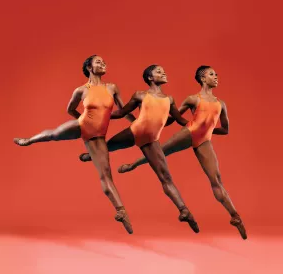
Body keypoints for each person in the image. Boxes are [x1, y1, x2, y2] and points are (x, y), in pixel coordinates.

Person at [116, 65, 247, 239]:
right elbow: (174, 117)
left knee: (216, 180)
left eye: (216, 74)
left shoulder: (221, 104)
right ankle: (133, 164)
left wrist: (207, 129)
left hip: (204, 140)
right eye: (211, 74)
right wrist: (154, 123)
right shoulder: (193, 99)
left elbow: (225, 130)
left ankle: (234, 216)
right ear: (202, 78)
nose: (216, 77)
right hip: (189, 132)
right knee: (162, 151)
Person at [13, 55, 134, 234]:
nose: (103, 63)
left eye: (104, 61)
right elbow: (70, 109)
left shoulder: (112, 88)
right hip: (81, 125)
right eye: (98, 62)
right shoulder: (81, 90)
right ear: (89, 68)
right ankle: (29, 140)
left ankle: (121, 211)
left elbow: (122, 111)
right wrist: (83, 120)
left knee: (106, 175)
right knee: (54, 134)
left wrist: (135, 122)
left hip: (97, 136)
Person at [79, 65, 199, 233]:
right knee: (106, 147)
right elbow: (122, 113)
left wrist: (196, 125)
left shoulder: (169, 99)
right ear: (150, 78)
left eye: (164, 70)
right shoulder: (140, 95)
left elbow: (178, 119)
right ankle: (90, 155)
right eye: (158, 71)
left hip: (151, 140)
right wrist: (99, 113)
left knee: (166, 177)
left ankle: (184, 210)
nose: (163, 72)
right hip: (135, 131)